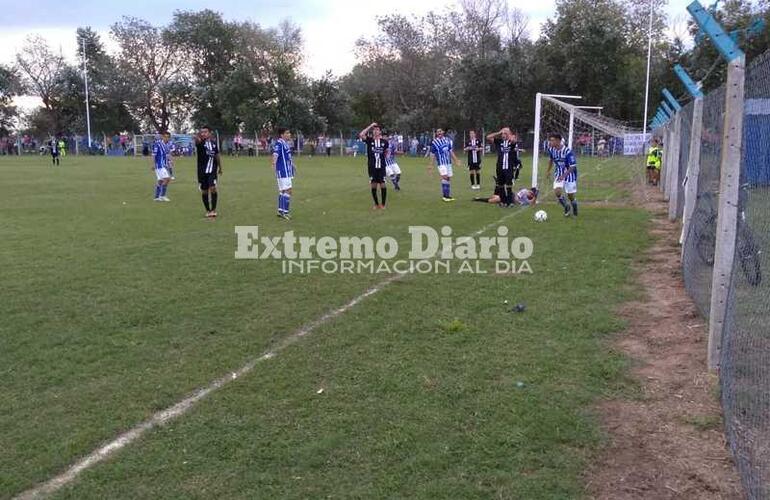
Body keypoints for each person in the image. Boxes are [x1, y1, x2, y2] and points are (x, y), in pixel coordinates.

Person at [545, 133, 579, 217]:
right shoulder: (551, 149)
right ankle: (566, 206)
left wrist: (564, 176)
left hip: (570, 174)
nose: (550, 142)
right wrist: (548, 171)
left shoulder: (568, 151)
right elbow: (551, 159)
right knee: (557, 191)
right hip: (559, 173)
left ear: (558, 141)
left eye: (552, 140)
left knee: (570, 195)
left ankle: (574, 206)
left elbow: (572, 166)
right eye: (550, 140)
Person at [486, 128, 519, 207]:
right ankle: (503, 201)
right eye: (503, 134)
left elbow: (514, 140)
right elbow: (488, 137)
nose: (503, 135)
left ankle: (510, 201)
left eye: (505, 133)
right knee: (500, 185)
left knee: (508, 185)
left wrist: (508, 133)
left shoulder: (511, 142)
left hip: (509, 167)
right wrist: (498, 132)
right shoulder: (499, 141)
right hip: (500, 166)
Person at [359, 122, 388, 209]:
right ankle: (376, 204)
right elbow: (361, 134)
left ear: (380, 132)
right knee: (373, 185)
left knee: (383, 184)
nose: (375, 131)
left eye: (377, 130)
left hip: (381, 167)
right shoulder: (370, 140)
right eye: (374, 130)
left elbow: (386, 153)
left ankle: (383, 204)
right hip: (372, 167)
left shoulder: (384, 142)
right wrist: (370, 126)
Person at [195, 126, 222, 218]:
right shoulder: (200, 143)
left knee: (213, 188)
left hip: (212, 170)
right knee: (205, 191)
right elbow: (196, 140)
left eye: (205, 132)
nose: (203, 134)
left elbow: (217, 156)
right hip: (202, 171)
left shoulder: (214, 144)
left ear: (210, 133)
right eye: (202, 132)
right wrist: (197, 136)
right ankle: (208, 210)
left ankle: (213, 210)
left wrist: (220, 167)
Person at [429, 128, 460, 202]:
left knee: (448, 178)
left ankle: (448, 196)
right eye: (437, 132)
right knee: (445, 177)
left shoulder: (447, 140)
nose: (439, 133)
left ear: (443, 132)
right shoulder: (434, 142)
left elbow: (450, 151)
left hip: (448, 163)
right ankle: (445, 196)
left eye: (440, 131)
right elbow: (432, 154)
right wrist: (431, 165)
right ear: (436, 134)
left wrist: (456, 160)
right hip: (441, 163)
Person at [273, 127, 296, 220]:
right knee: (288, 190)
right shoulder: (279, 143)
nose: (289, 134)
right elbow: (275, 153)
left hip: (286, 170)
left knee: (283, 191)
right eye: (287, 133)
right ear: (282, 135)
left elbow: (287, 157)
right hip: (283, 171)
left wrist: (293, 164)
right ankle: (285, 212)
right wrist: (273, 163)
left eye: (289, 133)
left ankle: (280, 210)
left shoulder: (285, 143)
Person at [152, 131, 172, 202]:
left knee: (160, 181)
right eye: (165, 137)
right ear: (162, 137)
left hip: (163, 165)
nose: (166, 138)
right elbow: (154, 154)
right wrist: (153, 164)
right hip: (159, 165)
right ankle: (162, 196)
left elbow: (167, 154)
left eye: (168, 137)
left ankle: (156, 197)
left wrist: (169, 162)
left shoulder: (166, 145)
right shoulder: (158, 144)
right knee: (167, 179)